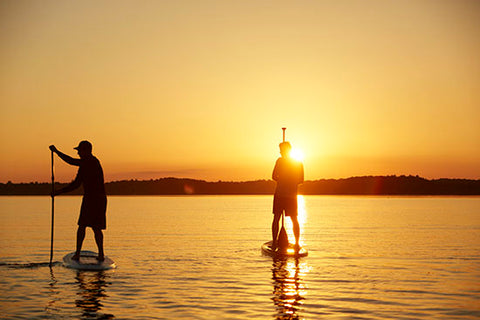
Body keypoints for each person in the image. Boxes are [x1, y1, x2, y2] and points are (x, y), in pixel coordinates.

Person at [49, 141, 107, 261]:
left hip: (96, 199)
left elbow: (71, 161)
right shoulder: (84, 165)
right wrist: (59, 192)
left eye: (80, 151)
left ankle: (99, 254)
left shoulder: (91, 162)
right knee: (83, 226)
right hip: (92, 198)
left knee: (92, 227)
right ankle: (79, 253)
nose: (78, 153)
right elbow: (76, 184)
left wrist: (57, 152)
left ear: (86, 151)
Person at [271, 141, 304, 252]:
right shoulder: (282, 161)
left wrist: (286, 180)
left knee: (291, 218)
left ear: (287, 150)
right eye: (280, 150)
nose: (280, 152)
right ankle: (275, 242)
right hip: (284, 195)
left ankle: (296, 243)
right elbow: (274, 176)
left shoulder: (296, 163)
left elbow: (300, 179)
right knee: (278, 218)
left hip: (287, 195)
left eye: (281, 150)